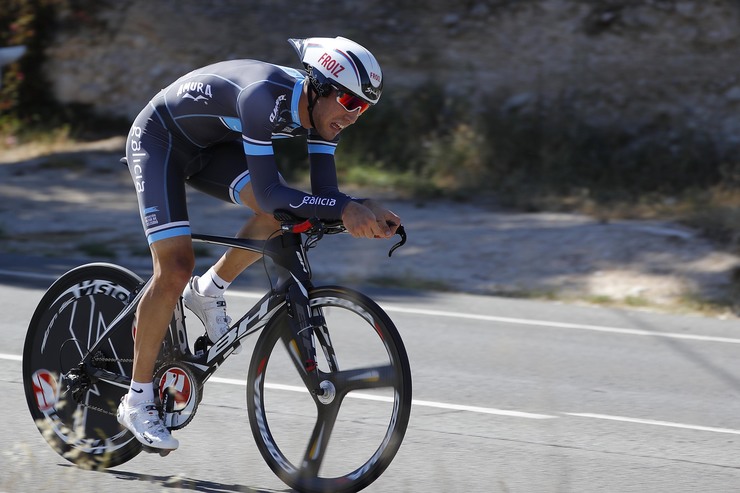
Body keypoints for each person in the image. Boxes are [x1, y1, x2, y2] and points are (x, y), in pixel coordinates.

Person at [116, 36, 401, 451]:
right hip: (159, 140)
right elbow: (270, 192)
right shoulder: (262, 95)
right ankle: (137, 399)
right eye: (351, 103)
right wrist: (343, 208)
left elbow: (322, 196)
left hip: (210, 147)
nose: (354, 117)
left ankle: (208, 290)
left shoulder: (325, 117)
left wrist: (362, 207)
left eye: (364, 109)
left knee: (288, 216)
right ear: (320, 86)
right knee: (175, 267)